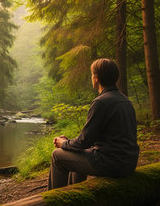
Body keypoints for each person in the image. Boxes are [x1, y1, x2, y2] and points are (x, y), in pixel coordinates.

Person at [48, 58, 139, 190]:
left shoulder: (101, 102)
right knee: (78, 151)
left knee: (57, 156)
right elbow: (89, 140)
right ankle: (76, 193)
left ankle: (54, 199)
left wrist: (63, 143)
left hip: (111, 163)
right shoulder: (125, 100)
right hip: (129, 162)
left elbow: (84, 142)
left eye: (92, 75)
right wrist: (70, 144)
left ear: (96, 78)